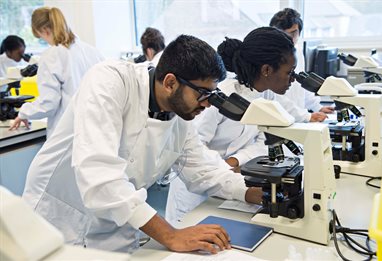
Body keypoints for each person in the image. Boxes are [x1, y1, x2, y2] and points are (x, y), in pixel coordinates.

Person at [22, 34, 262, 254]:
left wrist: (256, 194)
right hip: (61, 218)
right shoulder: (110, 81)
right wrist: (170, 235)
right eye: (202, 94)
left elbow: (205, 170)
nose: (207, 104)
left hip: (115, 227)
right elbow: (99, 175)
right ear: (170, 83)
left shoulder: (179, 118)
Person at [166, 26, 315, 225]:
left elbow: (263, 139)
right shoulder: (220, 97)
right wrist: (225, 167)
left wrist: (236, 161)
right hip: (195, 193)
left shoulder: (266, 94)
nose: (293, 79)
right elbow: (192, 146)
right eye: (289, 72)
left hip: (231, 184)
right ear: (267, 70)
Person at [9, 7, 104, 138]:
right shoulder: (92, 51)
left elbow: (48, 104)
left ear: (45, 31)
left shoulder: (51, 56)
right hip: (96, 127)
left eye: (41, 36)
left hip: (69, 132)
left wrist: (23, 113)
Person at [270, 8, 335, 115]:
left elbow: (301, 85)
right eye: (283, 34)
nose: (289, 38)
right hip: (280, 118)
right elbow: (275, 97)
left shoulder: (298, 52)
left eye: (293, 34)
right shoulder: (268, 57)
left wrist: (317, 107)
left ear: (300, 33)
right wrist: (305, 116)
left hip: (297, 117)